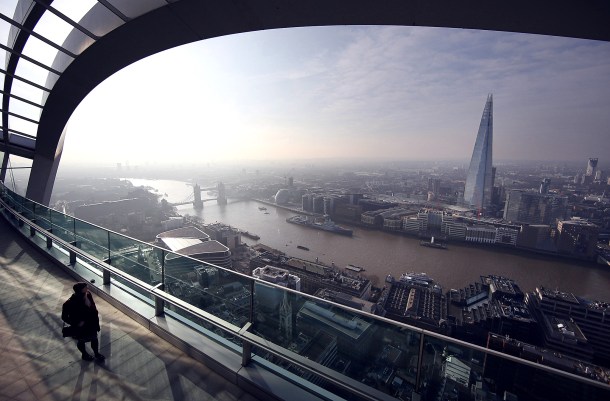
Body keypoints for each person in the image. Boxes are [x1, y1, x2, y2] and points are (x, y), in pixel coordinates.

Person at [61, 282, 105, 361]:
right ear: (80, 290)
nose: (87, 289)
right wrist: (77, 323)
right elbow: (64, 317)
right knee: (81, 341)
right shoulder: (70, 303)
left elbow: (93, 307)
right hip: (81, 327)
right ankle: (84, 354)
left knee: (94, 339)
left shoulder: (88, 294)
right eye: (85, 288)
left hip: (92, 323)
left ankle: (96, 354)